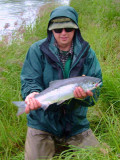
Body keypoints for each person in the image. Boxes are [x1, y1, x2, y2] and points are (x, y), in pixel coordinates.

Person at [21, 6, 102, 160]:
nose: (63, 33)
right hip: (42, 122)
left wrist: (84, 97)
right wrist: (32, 93)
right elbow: (29, 79)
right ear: (51, 30)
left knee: (99, 156)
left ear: (76, 30)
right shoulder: (36, 50)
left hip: (75, 123)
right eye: (58, 30)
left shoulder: (88, 53)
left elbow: (97, 89)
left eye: (68, 29)